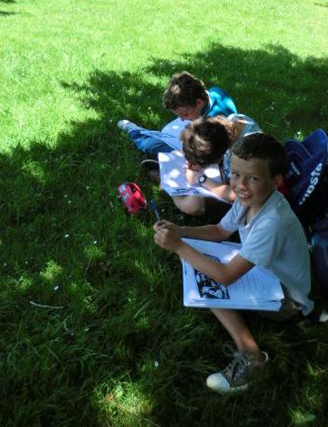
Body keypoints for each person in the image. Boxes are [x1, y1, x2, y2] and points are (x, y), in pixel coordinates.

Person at [153, 133, 313, 394]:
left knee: (212, 285)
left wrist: (179, 246)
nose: (240, 185)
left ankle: (253, 357)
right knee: (202, 267)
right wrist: (181, 231)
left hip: (287, 301)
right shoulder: (250, 199)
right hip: (265, 275)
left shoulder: (273, 221)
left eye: (253, 178)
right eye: (236, 174)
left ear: (276, 181)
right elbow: (219, 231)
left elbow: (226, 276)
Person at [117, 71, 237, 158]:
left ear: (199, 102)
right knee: (167, 131)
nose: (182, 119)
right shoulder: (214, 93)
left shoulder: (213, 123)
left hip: (210, 153)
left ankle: (136, 133)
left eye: (185, 114)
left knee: (151, 145)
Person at [172, 112, 262, 216]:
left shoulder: (246, 158)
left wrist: (200, 179)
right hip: (228, 175)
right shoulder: (233, 121)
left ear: (218, 157)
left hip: (250, 202)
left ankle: (174, 193)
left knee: (193, 204)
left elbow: (237, 195)